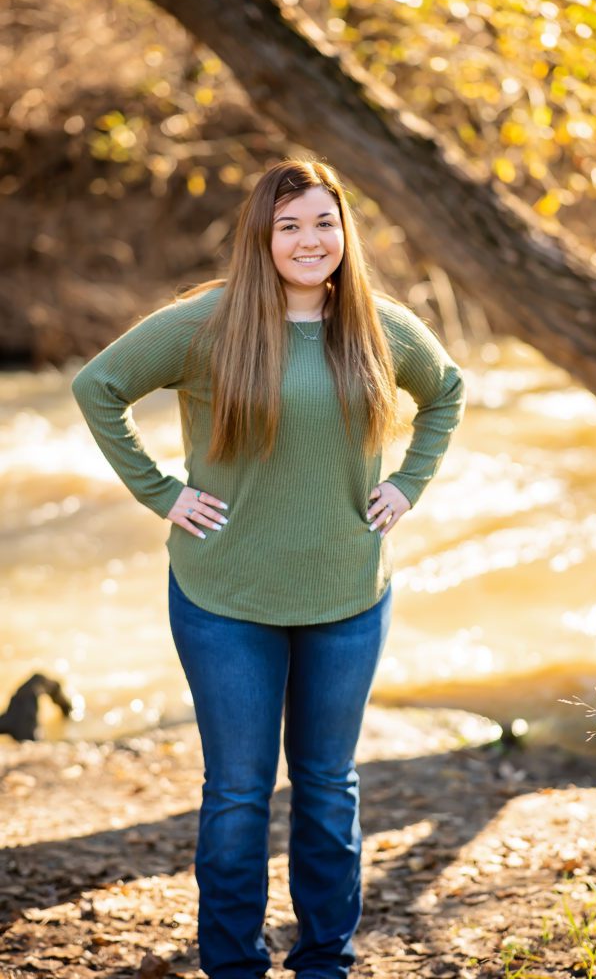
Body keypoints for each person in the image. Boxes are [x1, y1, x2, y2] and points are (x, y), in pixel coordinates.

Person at [71, 158, 466, 979]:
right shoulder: (207, 322)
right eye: (289, 225)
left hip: (347, 592)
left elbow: (448, 390)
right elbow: (97, 386)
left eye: (324, 222)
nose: (309, 239)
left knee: (327, 792)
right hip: (224, 596)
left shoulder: (375, 324)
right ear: (261, 235)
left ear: (344, 234)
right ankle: (233, 966)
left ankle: (325, 962)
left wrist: (408, 483)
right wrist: (161, 494)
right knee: (239, 794)